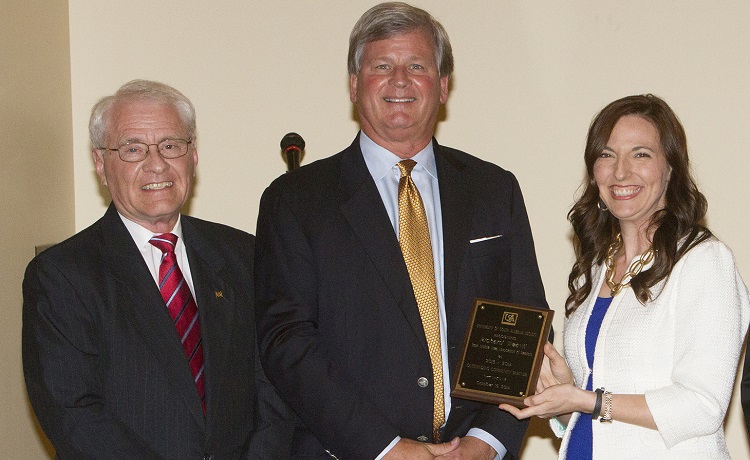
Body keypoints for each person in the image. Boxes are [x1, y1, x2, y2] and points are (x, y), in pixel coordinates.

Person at [254, 3, 548, 459]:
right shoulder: (296, 200)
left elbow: (524, 326)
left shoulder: (494, 190)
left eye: (416, 66)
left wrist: (487, 442)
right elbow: (287, 343)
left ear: (443, 85)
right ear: (354, 85)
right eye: (381, 67)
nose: (400, 81)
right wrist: (384, 448)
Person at [22, 79, 292, 459]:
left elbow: (276, 388)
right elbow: (73, 414)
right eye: (133, 149)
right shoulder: (61, 275)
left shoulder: (244, 254)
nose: (157, 164)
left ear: (193, 155)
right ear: (101, 164)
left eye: (170, 145)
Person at [500, 94, 750, 459]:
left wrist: (589, 400)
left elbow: (702, 406)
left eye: (641, 154)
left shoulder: (704, 261)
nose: (620, 172)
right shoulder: (596, 267)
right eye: (607, 155)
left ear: (671, 169)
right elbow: (595, 412)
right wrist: (563, 396)